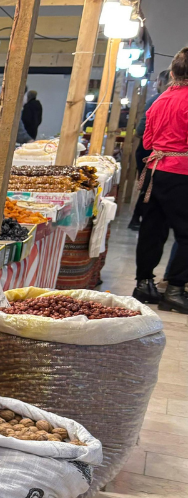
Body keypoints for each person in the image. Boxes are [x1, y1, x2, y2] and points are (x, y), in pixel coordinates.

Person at [132, 48, 188, 312]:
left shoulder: (160, 99)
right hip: (181, 172)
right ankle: (175, 290)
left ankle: (144, 284)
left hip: (155, 170)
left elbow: (147, 141)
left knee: (152, 230)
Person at [131, 70, 172, 230]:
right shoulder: (161, 100)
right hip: (159, 154)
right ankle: (138, 218)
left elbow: (141, 129)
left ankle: (140, 219)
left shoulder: (157, 100)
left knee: (150, 187)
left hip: (152, 152)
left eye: (157, 81)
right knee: (151, 187)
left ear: (161, 82)